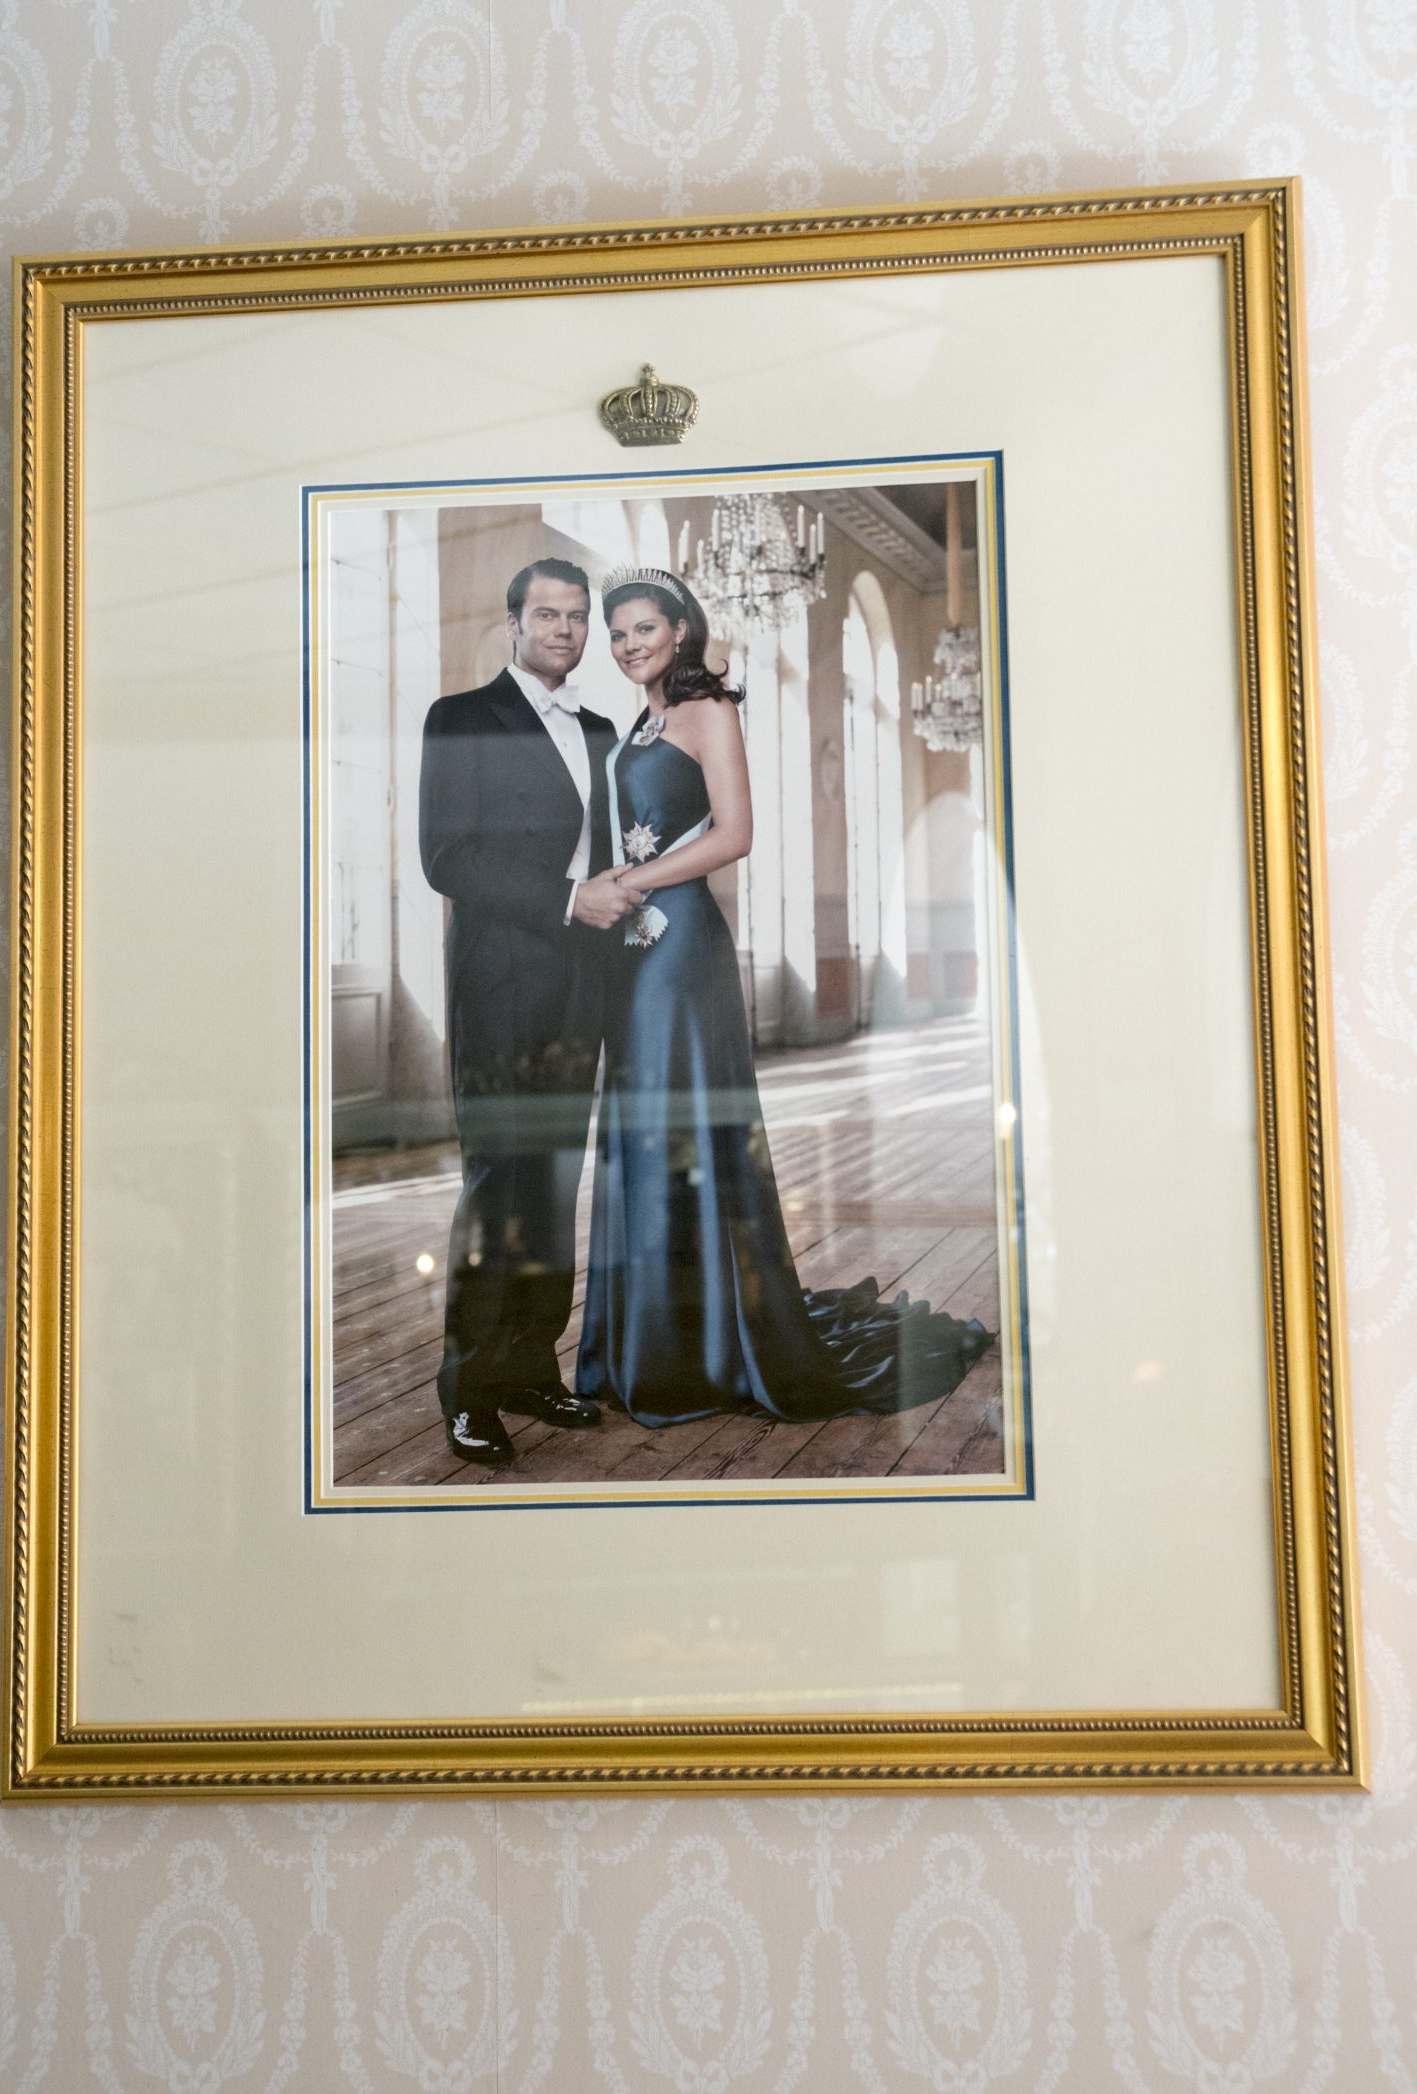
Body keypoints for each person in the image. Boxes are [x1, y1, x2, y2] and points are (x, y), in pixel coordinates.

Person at [575, 565, 993, 1424]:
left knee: (684, 1124)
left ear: (680, 631)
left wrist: (630, 882)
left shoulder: (708, 710)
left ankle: (697, 1348)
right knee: (643, 1128)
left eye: (644, 629)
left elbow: (736, 834)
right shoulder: (637, 723)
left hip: (679, 947)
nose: (628, 646)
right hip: (631, 947)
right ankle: (647, 1341)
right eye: (616, 634)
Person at [418, 558, 642, 1466]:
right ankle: (469, 1391)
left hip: (581, 985)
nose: (564, 630)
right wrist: (567, 899)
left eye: (577, 617)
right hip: (501, 984)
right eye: (547, 615)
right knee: (498, 1185)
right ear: (513, 623)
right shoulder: (461, 717)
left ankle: (528, 1369)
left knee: (553, 1184)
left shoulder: (599, 729)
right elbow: (446, 858)